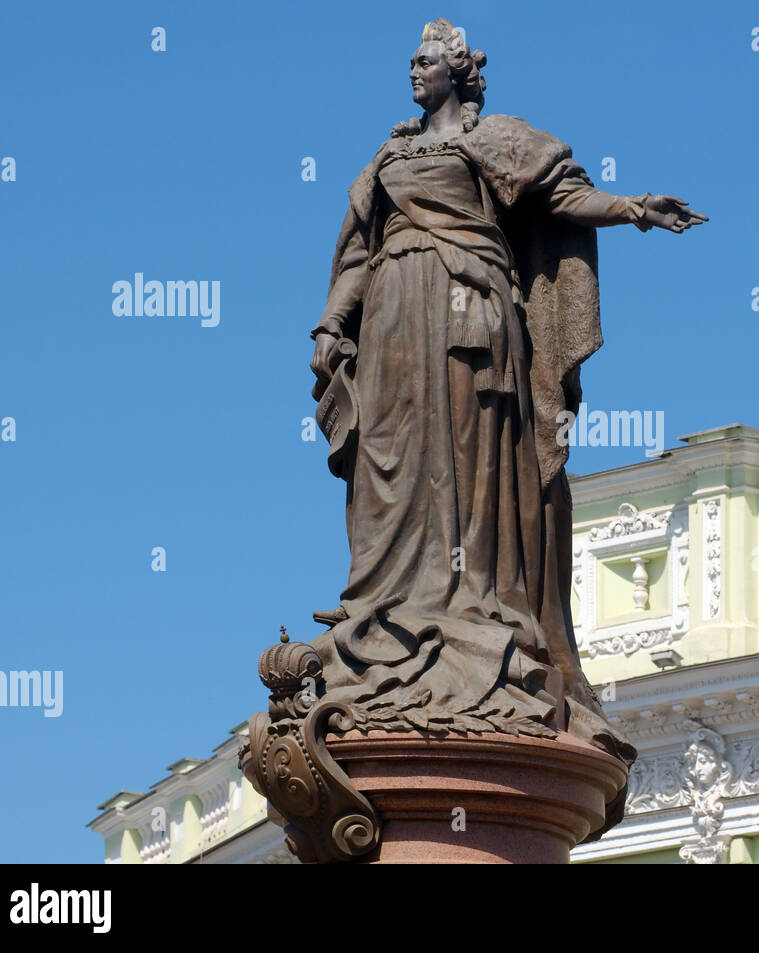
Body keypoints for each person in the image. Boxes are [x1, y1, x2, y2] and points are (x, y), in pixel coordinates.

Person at [305, 18, 706, 835]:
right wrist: (329, 327)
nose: (413, 71)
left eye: (427, 61)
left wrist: (630, 207)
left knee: (472, 462)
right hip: (391, 317)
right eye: (411, 61)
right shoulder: (388, 158)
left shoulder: (499, 140)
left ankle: (470, 607)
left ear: (459, 71)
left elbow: (561, 198)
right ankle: (387, 614)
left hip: (468, 312)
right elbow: (356, 253)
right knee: (390, 468)